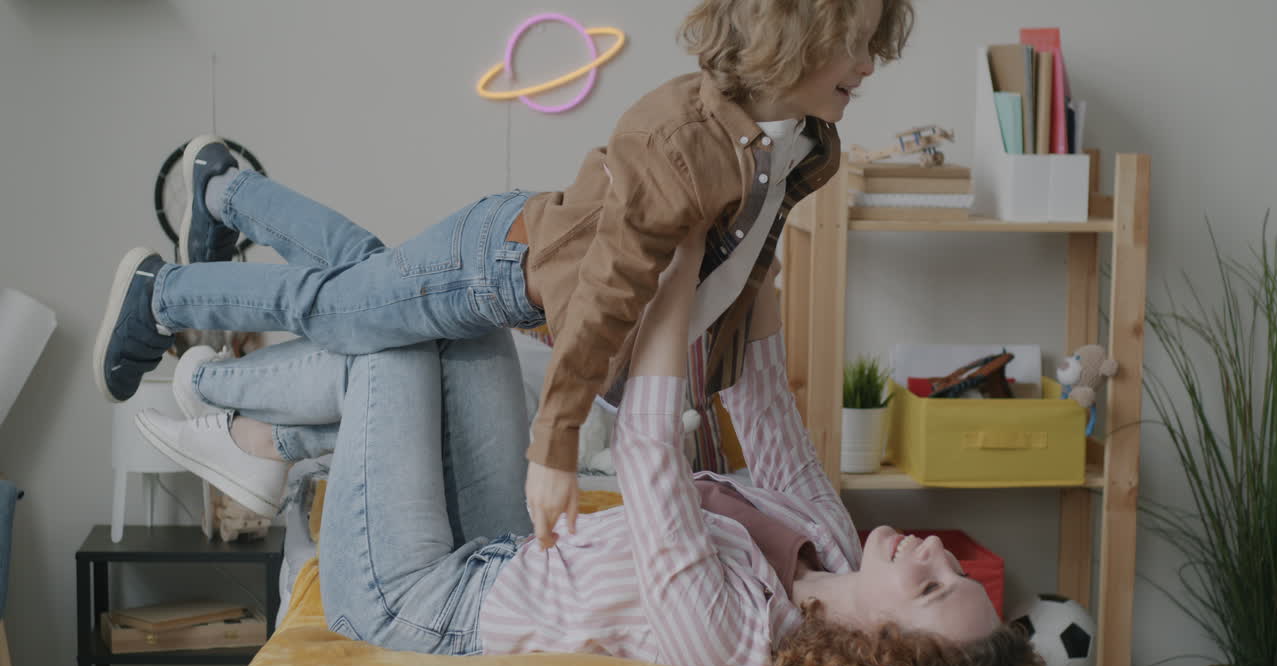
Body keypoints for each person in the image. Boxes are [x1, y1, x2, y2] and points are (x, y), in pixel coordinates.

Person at [93, 0, 916, 548]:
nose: (870, 64)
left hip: (517, 265)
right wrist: (554, 451)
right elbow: (605, 300)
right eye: (855, 44)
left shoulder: (811, 142)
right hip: (496, 264)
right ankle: (160, 295)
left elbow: (742, 272)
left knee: (361, 276)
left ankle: (224, 188)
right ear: (791, 38)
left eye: (874, 42)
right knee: (340, 311)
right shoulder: (677, 142)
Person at [134, 233, 1055, 666]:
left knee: (392, 345)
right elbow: (768, 411)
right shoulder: (834, 544)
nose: (932, 552)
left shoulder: (730, 636)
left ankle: (204, 387)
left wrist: (680, 263)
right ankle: (270, 438)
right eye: (950, 571)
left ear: (877, 649)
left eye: (928, 587)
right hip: (499, 547)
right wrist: (761, 254)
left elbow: (649, 452)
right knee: (450, 315)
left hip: (419, 605)